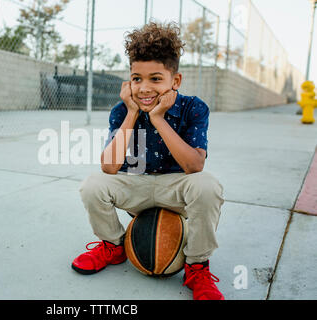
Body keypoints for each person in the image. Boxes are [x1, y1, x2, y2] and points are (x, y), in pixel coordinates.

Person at [71, 21, 225, 300]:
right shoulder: (122, 110)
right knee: (92, 185)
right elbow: (109, 167)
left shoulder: (194, 108)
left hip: (176, 187)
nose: (144, 88)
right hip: (137, 185)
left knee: (207, 185)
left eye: (155, 79)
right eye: (136, 78)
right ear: (129, 80)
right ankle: (113, 246)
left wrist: (157, 118)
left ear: (174, 81)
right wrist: (132, 113)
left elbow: (194, 166)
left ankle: (197, 266)